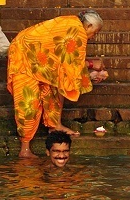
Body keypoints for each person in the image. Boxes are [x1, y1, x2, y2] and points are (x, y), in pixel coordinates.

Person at [7, 11, 103, 159]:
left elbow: (68, 65)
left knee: (53, 87)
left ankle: (55, 125)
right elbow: (73, 66)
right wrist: (92, 65)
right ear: (88, 25)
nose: (94, 36)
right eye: (95, 32)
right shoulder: (78, 31)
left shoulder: (72, 22)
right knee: (28, 102)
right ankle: (24, 149)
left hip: (39, 56)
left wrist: (90, 70)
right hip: (24, 55)